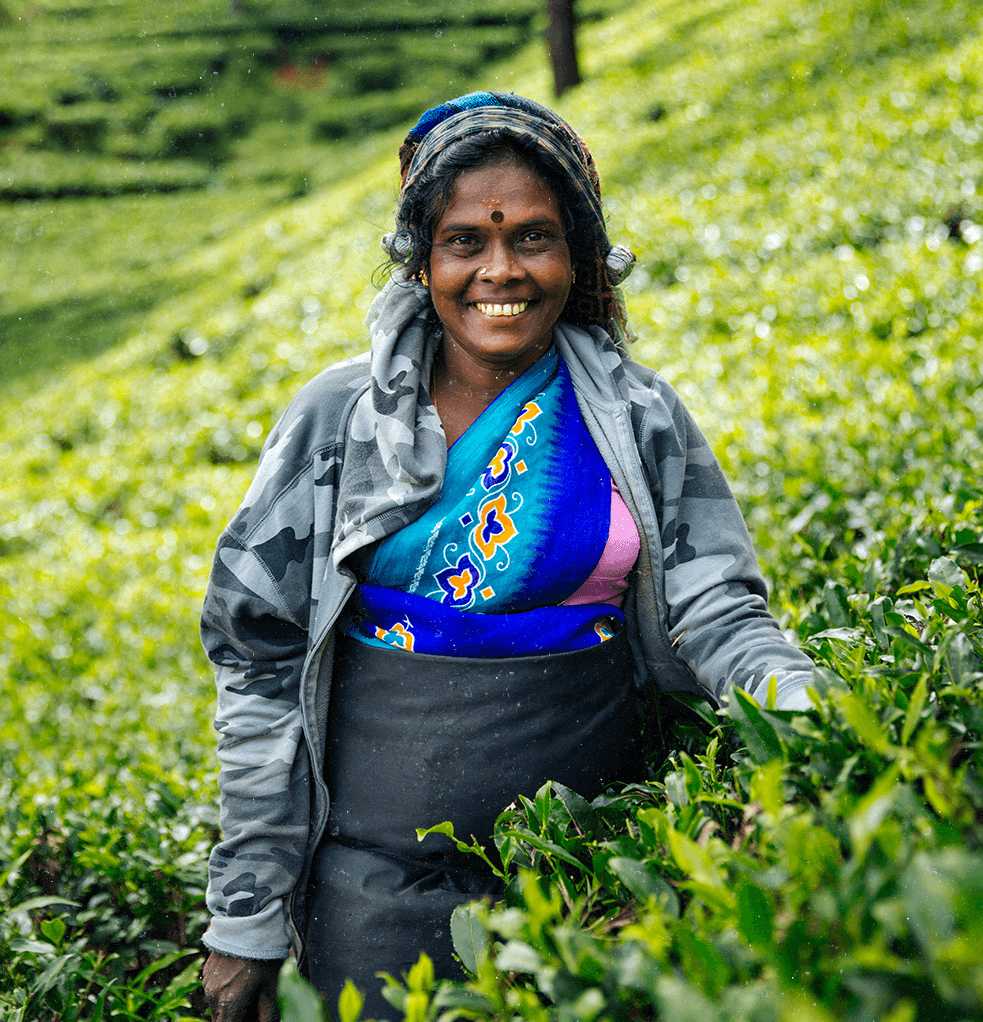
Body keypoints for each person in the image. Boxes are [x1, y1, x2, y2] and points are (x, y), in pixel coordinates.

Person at [198, 91, 817, 1020]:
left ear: (579, 253)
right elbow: (260, 667)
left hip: (592, 879)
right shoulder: (336, 424)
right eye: (464, 242)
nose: (500, 270)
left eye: (532, 237)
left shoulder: (638, 420)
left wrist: (809, 710)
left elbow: (718, 611)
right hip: (372, 900)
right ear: (419, 260)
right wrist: (244, 914)